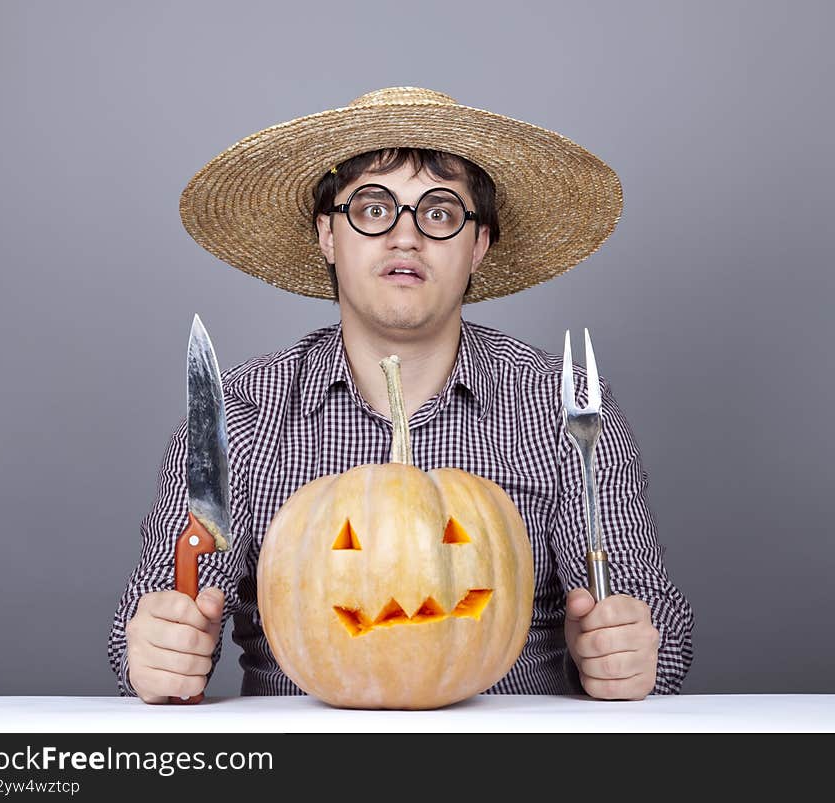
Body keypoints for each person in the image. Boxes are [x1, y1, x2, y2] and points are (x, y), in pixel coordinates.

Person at [108, 86, 694, 704]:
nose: (405, 238)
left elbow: (659, 634)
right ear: (329, 236)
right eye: (372, 209)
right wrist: (157, 649)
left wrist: (630, 649)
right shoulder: (243, 412)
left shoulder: (560, 403)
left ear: (480, 245)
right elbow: (147, 632)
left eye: (439, 213)